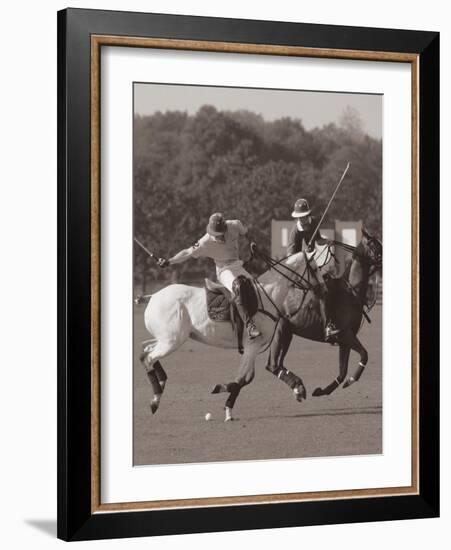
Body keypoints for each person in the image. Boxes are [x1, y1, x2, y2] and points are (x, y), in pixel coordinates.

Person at [157, 212, 261, 339]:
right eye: (215, 235)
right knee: (238, 287)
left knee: (256, 289)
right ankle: (249, 325)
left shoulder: (234, 224)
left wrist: (252, 244)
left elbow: (246, 233)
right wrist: (169, 261)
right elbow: (187, 253)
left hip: (238, 265)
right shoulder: (204, 242)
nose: (218, 237)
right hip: (224, 270)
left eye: (220, 233)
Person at [288, 198, 339, 342]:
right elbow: (291, 255)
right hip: (298, 263)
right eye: (299, 217)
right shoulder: (295, 232)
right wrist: (303, 254)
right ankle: (324, 324)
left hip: (311, 261)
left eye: (304, 216)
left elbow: (318, 240)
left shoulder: (314, 222)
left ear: (308, 214)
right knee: (319, 289)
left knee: (325, 288)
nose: (302, 219)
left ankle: (329, 325)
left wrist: (326, 241)